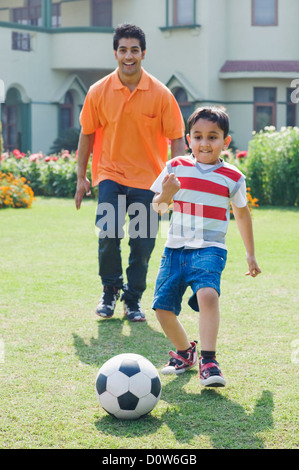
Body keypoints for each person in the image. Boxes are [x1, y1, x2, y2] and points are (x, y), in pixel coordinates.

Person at [75, 24, 185, 322]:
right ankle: (110, 290)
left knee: (142, 243)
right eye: (123, 49)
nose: (128, 56)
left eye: (134, 50)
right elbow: (86, 134)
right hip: (110, 174)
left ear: (143, 53)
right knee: (108, 233)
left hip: (149, 181)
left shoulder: (161, 94)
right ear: (115, 53)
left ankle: (133, 299)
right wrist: (81, 176)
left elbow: (177, 137)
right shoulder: (98, 91)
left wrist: (174, 177)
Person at [151, 106, 261, 387]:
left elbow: (242, 213)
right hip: (175, 249)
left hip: (210, 248)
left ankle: (209, 361)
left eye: (213, 137)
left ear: (225, 141)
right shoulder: (174, 167)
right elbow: (158, 209)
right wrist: (167, 193)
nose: (204, 143)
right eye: (198, 136)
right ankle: (185, 351)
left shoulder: (232, 177)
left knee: (208, 295)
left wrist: (250, 254)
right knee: (162, 308)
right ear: (189, 139)